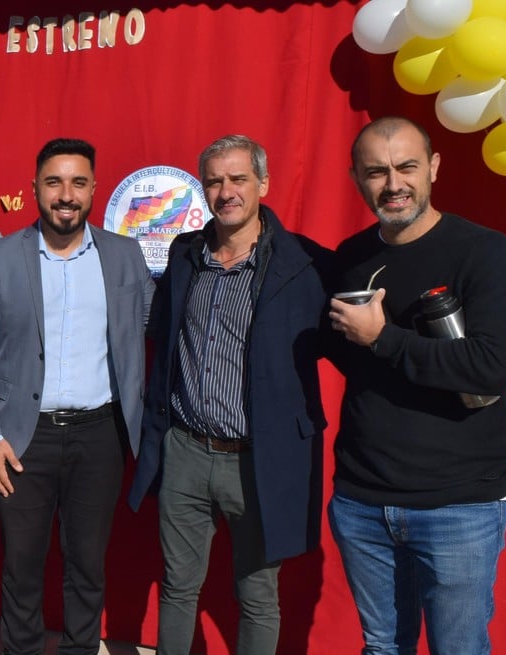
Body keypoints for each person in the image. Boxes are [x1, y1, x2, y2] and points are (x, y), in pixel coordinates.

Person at [327, 116, 506, 655]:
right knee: (382, 647)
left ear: (434, 168)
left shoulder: (484, 251)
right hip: (362, 500)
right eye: (376, 172)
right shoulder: (350, 258)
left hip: (458, 505)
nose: (393, 184)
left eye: (407, 167)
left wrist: (383, 338)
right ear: (356, 178)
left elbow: (492, 367)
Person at [127, 134, 330, 655]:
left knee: (258, 596)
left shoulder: (304, 264)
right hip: (186, 451)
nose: (226, 191)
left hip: (258, 459)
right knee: (177, 587)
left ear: (263, 184)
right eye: (215, 181)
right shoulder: (185, 254)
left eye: (238, 178)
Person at [0, 138, 155, 655]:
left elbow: (149, 329)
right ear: (35, 189)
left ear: (93, 189)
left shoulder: (125, 255)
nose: (66, 194)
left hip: (101, 436)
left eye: (77, 182)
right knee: (22, 566)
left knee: (87, 564)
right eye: (54, 182)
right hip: (22, 438)